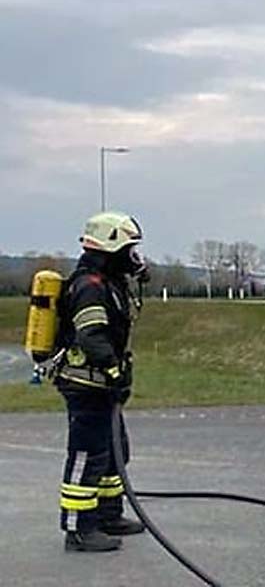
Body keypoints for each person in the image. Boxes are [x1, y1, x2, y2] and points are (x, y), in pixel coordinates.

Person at [55, 212, 149, 552]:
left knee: (113, 450)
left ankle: (108, 514)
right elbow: (91, 335)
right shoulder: (89, 287)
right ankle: (79, 528)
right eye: (129, 249)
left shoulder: (109, 283)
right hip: (86, 385)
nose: (134, 256)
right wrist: (113, 370)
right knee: (87, 454)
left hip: (102, 385)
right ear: (112, 248)